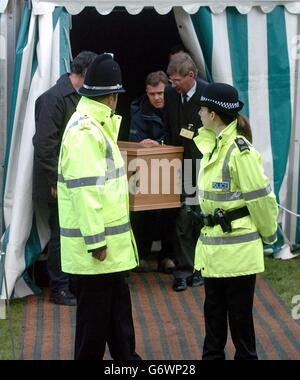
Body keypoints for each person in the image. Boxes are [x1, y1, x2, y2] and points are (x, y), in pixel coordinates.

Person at [57, 53, 141, 360]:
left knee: (117, 320)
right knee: (94, 330)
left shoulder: (93, 127)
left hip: (106, 253)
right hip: (97, 252)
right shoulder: (86, 131)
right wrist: (96, 242)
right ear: (112, 97)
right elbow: (85, 192)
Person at [194, 82, 278, 360]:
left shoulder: (239, 151)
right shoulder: (213, 147)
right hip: (215, 251)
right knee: (214, 321)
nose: (199, 114)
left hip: (237, 254)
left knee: (241, 328)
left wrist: (270, 235)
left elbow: (261, 200)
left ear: (214, 114)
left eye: (202, 109)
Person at [32, 51, 97, 306]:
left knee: (70, 232)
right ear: (85, 74)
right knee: (61, 233)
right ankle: (60, 286)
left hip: (69, 179)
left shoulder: (71, 97)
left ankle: (67, 283)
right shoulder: (55, 99)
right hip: (58, 181)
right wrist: (55, 181)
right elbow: (45, 146)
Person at [164, 52, 207, 291]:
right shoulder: (172, 95)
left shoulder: (208, 94)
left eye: (176, 81)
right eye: (171, 81)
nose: (172, 85)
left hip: (201, 168)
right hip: (178, 166)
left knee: (197, 219)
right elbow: (170, 127)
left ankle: (200, 269)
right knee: (180, 219)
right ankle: (183, 270)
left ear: (190, 75)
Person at [129, 71, 176, 273]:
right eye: (151, 94)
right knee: (142, 213)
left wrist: (162, 144)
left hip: (174, 168)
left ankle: (168, 256)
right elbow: (132, 142)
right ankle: (141, 255)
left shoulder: (177, 108)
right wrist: (141, 144)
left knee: (171, 213)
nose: (156, 98)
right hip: (146, 169)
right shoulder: (139, 113)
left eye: (160, 93)